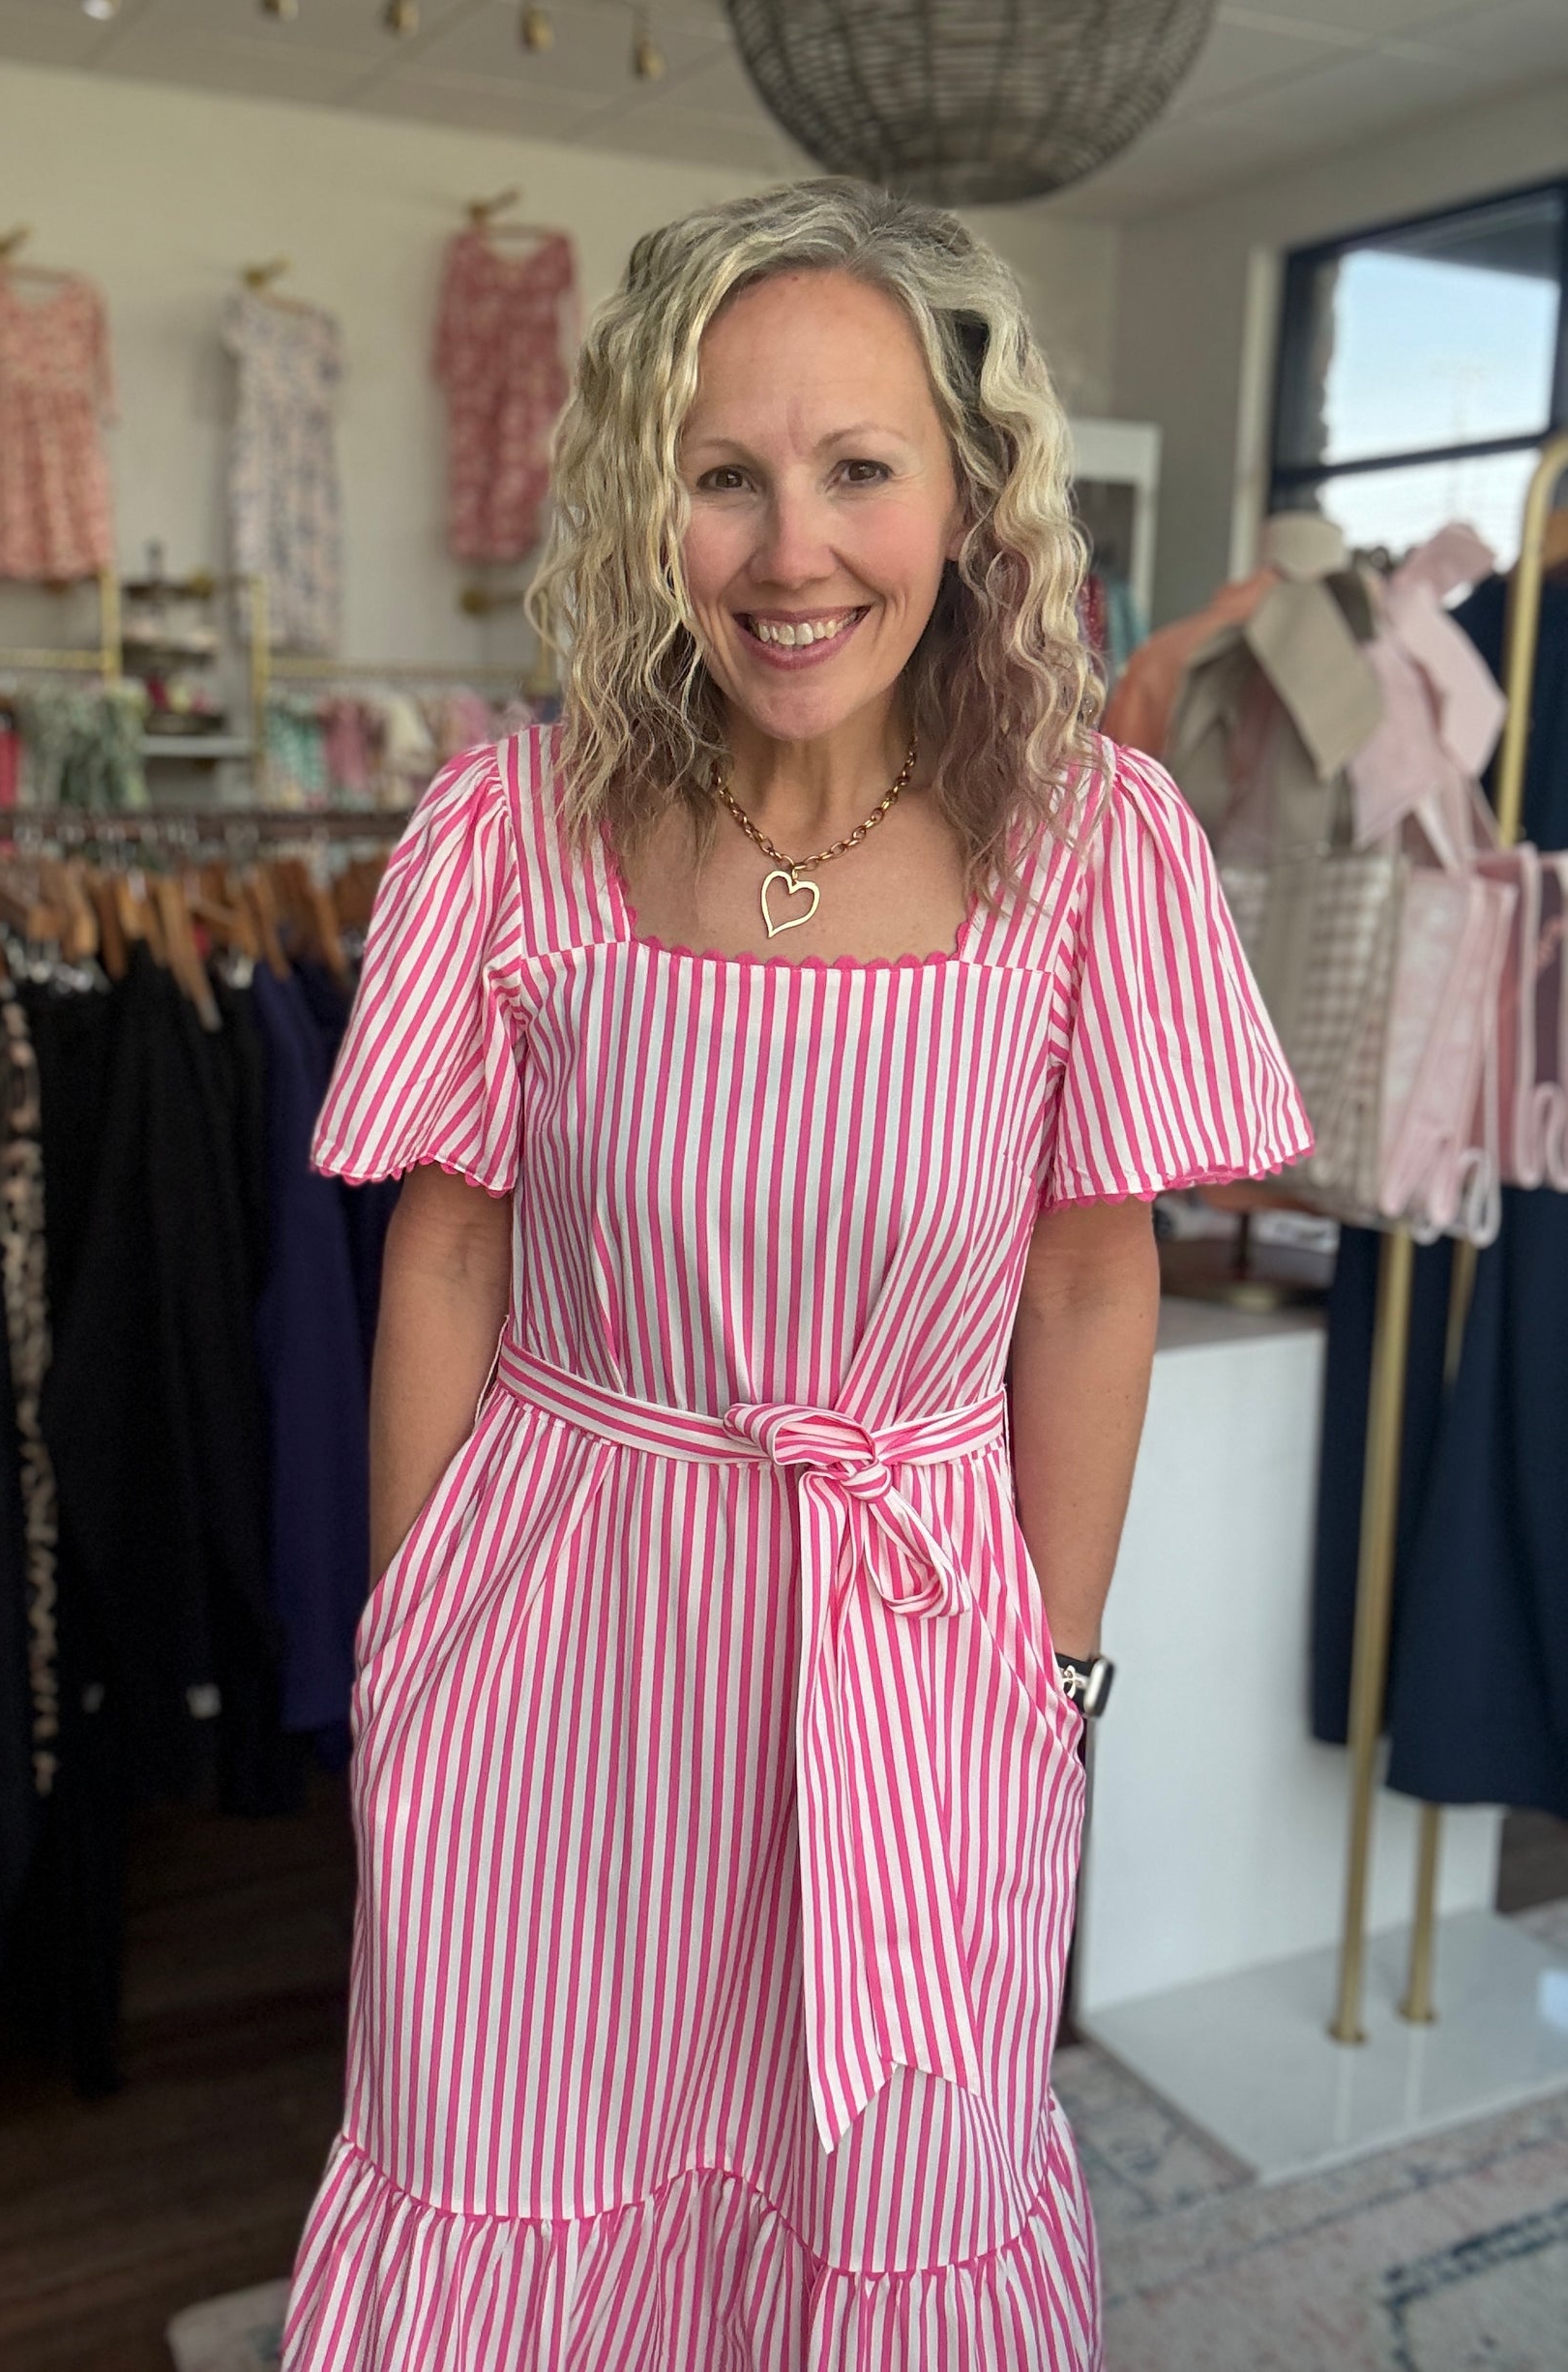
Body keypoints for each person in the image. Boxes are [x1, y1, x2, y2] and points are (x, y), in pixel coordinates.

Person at [280, 177, 1310, 2369]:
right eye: (723, 476)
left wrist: (1053, 1676)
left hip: (914, 1657)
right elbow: (447, 1247)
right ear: (645, 500)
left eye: (857, 468)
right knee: (519, 2178)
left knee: (895, 2206)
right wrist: (409, 1647)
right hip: (554, 1652)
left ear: (969, 494)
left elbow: (1087, 1288)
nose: (788, 550)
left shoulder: (1095, 852)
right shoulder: (512, 830)